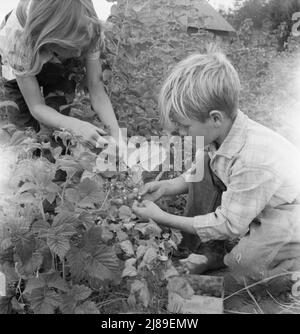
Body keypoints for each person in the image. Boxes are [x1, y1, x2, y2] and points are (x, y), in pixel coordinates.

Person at [133, 51, 300, 287]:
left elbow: (230, 225)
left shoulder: (253, 158)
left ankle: (289, 269)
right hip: (256, 201)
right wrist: (166, 187)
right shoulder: (217, 135)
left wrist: (162, 217)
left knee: (245, 265)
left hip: (289, 212)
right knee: (203, 167)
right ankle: (205, 251)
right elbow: (196, 176)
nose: (181, 134)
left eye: (185, 127)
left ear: (215, 118)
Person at [0, 0, 122, 148]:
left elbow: (97, 91)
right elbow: (36, 106)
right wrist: (75, 125)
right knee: (24, 138)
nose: (79, 54)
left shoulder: (89, 28)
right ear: (54, 42)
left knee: (60, 134)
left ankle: (57, 161)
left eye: (81, 48)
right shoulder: (16, 38)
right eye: (74, 48)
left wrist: (117, 138)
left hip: (57, 55)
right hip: (23, 59)